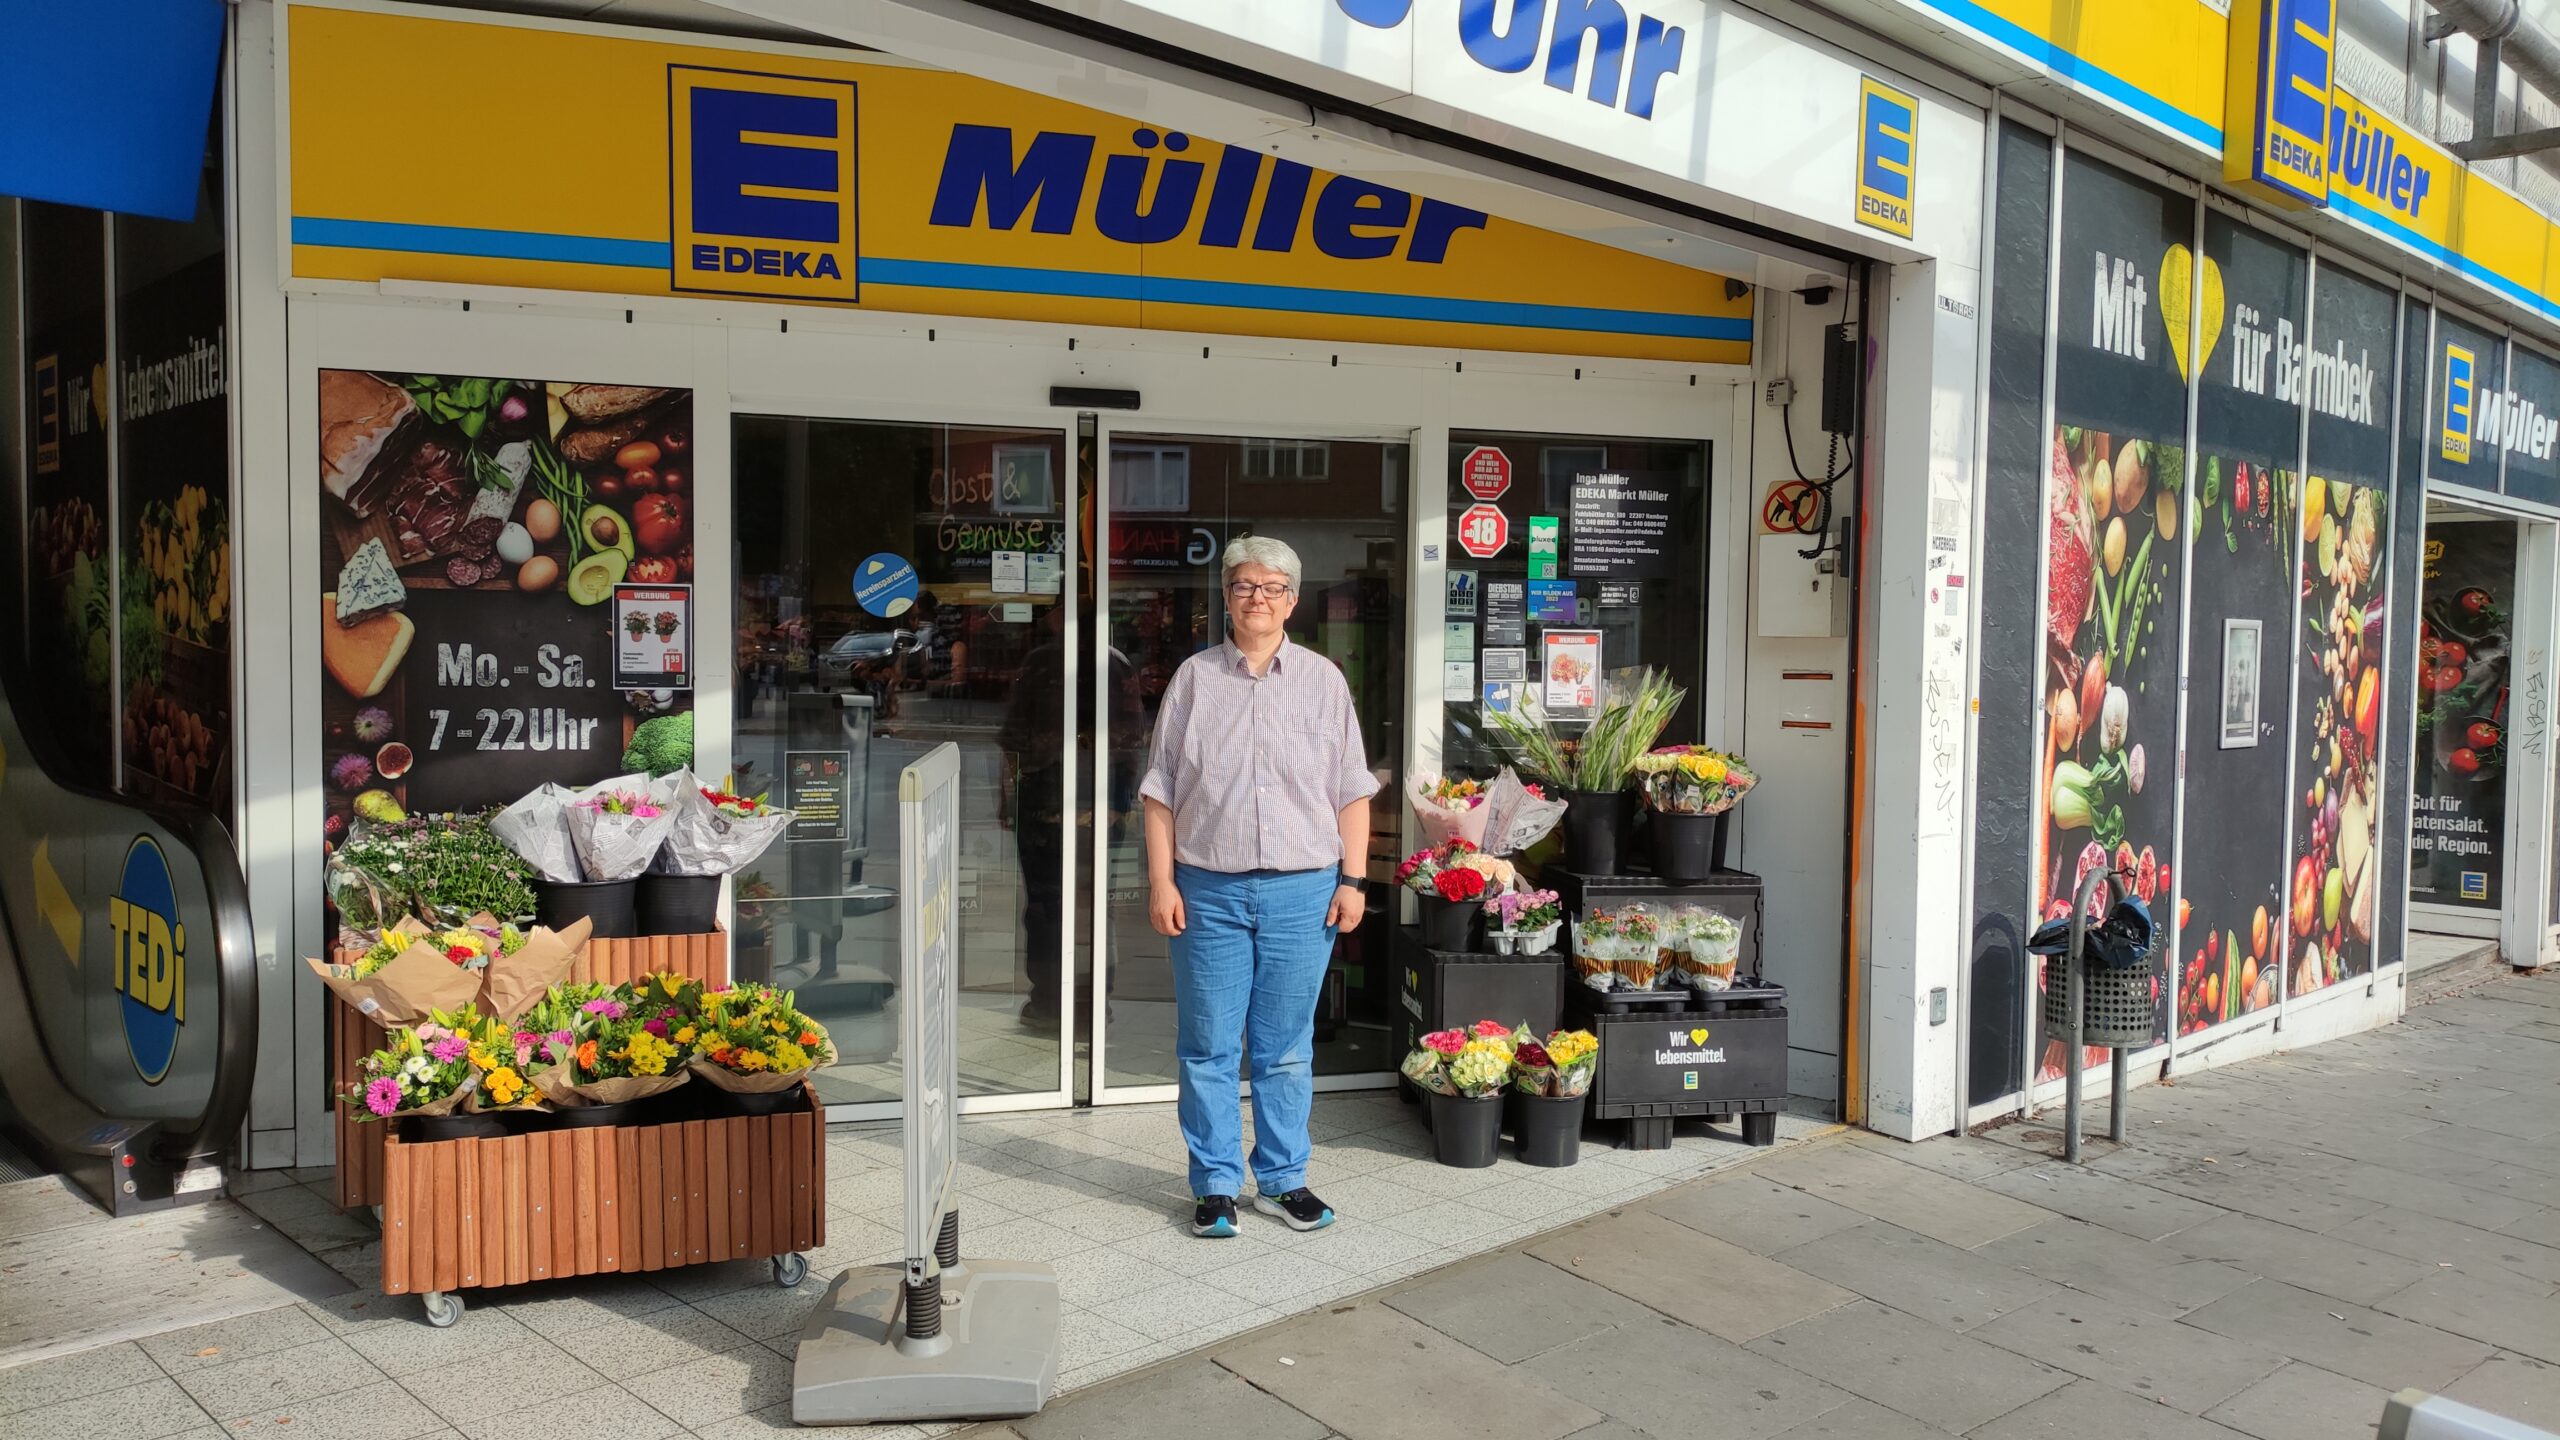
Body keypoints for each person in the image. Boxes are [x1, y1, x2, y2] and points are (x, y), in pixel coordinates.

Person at [1140, 536, 1377, 1238]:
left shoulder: (1323, 682)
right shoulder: (1194, 680)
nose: (1259, 598)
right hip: (1207, 890)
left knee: (1285, 1047)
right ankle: (1214, 1184)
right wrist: (1162, 881)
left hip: (1304, 893)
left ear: (1293, 601)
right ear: (1227, 596)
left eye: (1273, 587)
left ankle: (1281, 1179)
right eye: (1245, 585)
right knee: (1209, 1045)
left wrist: (1354, 880)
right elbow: (1160, 794)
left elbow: (1351, 792)